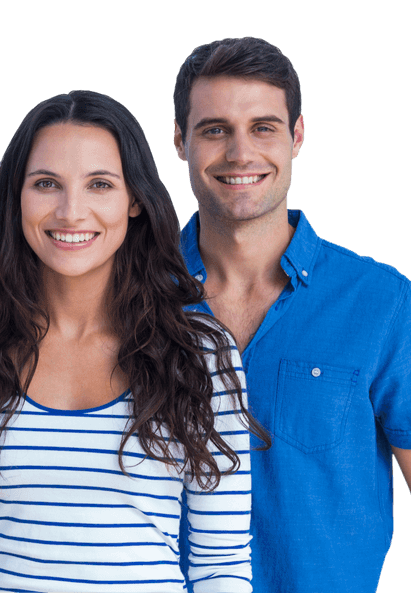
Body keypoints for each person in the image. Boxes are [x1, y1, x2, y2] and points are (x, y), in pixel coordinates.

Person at [0, 90, 266, 592]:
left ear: (134, 199)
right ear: (16, 198)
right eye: (46, 184)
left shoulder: (201, 356)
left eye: (99, 184)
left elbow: (221, 566)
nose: (71, 211)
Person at [172, 36, 411, 593]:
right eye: (214, 130)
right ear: (180, 140)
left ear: (297, 136)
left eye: (263, 127)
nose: (239, 153)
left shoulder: (380, 301)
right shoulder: (131, 297)